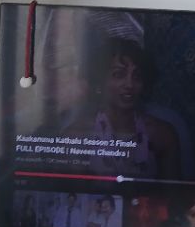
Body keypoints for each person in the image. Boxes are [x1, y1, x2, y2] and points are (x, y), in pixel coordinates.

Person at [68, 37, 181, 180]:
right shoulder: (77, 135)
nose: (129, 84)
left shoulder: (162, 134)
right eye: (119, 75)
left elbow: (173, 191)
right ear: (99, 82)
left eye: (137, 76)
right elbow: (71, 190)